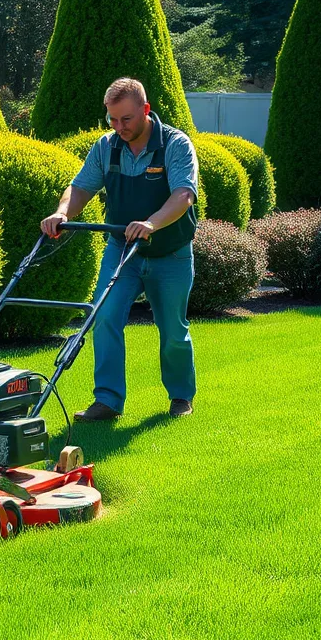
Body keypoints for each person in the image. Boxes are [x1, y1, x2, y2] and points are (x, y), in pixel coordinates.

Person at [41, 77, 198, 420]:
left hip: (169, 253)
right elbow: (80, 187)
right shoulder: (106, 146)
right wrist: (62, 212)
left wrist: (151, 223)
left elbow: (184, 195)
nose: (119, 127)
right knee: (105, 317)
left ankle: (181, 396)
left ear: (145, 110)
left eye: (126, 119)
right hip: (121, 250)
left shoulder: (174, 144)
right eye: (112, 119)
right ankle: (108, 400)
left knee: (172, 330)